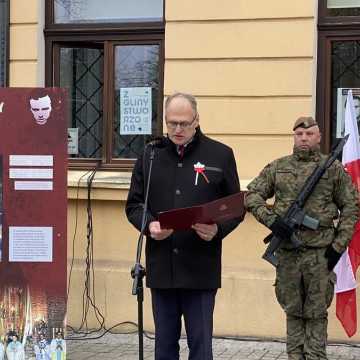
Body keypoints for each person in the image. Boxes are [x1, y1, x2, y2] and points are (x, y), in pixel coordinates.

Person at [126, 92, 243, 360]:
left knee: (201, 348)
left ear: (197, 120)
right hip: (162, 266)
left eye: (184, 123)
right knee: (164, 347)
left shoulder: (221, 154)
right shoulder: (150, 155)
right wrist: (149, 225)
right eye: (171, 123)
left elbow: (235, 208)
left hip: (200, 268)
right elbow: (133, 204)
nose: (177, 130)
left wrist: (218, 230)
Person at [246, 116, 359, 360]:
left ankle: (316, 356)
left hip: (320, 254)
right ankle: (294, 356)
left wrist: (338, 247)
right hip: (287, 254)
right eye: (299, 134)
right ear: (294, 137)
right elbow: (252, 195)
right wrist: (273, 221)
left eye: (309, 134)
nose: (304, 138)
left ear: (319, 137)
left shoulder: (332, 169)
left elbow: (351, 206)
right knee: (293, 311)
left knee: (317, 313)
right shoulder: (278, 167)